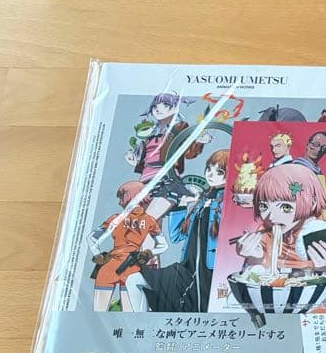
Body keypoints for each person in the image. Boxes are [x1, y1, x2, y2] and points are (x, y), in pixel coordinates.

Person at [126, 150, 229, 312]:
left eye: (219, 172)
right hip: (185, 270)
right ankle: (142, 321)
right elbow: (176, 236)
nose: (210, 174)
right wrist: (181, 206)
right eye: (209, 168)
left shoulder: (230, 203)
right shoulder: (202, 202)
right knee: (134, 280)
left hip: (209, 274)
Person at [233, 164, 326, 279]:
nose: (271, 217)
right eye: (264, 206)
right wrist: (254, 259)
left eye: (286, 207)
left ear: (312, 203)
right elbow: (252, 282)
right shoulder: (265, 234)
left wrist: (324, 272)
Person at [124, 92, 210, 222]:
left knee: (148, 220)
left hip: (166, 179)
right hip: (146, 181)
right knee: (149, 223)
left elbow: (188, 152)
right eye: (155, 106)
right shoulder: (150, 132)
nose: (158, 109)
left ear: (175, 107)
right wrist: (134, 160)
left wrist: (199, 142)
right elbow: (146, 158)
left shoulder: (179, 127)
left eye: (165, 105)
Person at [88, 181, 167, 311]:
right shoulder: (149, 220)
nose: (119, 202)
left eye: (121, 197)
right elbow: (163, 245)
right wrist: (149, 253)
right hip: (132, 269)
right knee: (129, 314)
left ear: (130, 197)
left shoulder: (115, 218)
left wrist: (98, 255)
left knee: (98, 313)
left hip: (110, 267)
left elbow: (91, 238)